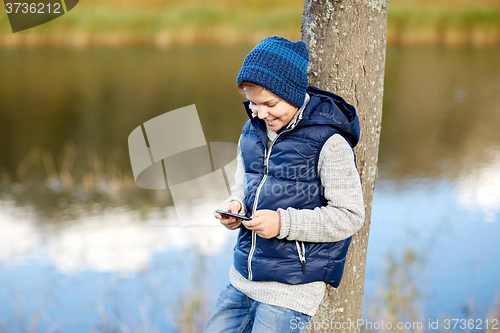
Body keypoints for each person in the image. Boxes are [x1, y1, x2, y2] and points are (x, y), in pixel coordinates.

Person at [203, 36, 365, 333]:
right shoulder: (251, 133)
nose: (260, 113)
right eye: (253, 103)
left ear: (291, 93)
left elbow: (350, 215)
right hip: (242, 279)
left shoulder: (330, 143)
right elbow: (245, 186)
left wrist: (282, 223)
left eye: (270, 104)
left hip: (291, 290)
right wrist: (236, 206)